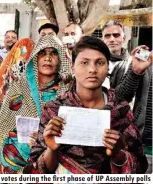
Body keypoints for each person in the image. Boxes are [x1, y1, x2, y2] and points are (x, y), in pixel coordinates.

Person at [29, 36, 148, 174]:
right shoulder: (54, 109)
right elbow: (36, 170)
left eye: (100, 63)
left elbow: (140, 167)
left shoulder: (120, 109)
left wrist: (118, 153)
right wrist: (52, 149)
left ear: (108, 67)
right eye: (84, 63)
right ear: (73, 67)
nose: (92, 69)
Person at [0, 36, 68, 174]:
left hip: (57, 156)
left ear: (61, 58)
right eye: (42, 53)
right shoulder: (19, 86)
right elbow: (4, 125)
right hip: (18, 156)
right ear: (35, 58)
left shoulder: (68, 90)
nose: (48, 58)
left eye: (53, 53)